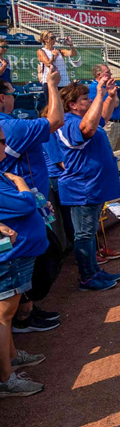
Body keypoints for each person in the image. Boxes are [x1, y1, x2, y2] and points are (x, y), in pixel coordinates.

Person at [0, 72, 64, 334]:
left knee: (40, 257)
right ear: (2, 98)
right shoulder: (10, 126)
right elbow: (56, 120)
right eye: (12, 93)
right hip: (19, 203)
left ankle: (24, 312)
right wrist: (52, 85)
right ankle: (22, 317)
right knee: (40, 259)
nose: (15, 98)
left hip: (18, 202)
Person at [56, 79, 120, 291]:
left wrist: (110, 97)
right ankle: (87, 277)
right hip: (81, 187)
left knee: (89, 232)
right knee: (84, 234)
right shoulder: (68, 122)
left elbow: (101, 118)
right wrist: (100, 95)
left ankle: (94, 271)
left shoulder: (82, 118)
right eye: (85, 98)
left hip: (92, 186)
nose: (90, 100)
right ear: (73, 104)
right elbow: (86, 129)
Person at [0, 167, 50, 397]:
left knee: (6, 315)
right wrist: (20, 180)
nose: (5, 148)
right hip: (10, 257)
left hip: (16, 254)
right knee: (3, 316)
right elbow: (25, 205)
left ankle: (11, 358)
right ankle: (6, 380)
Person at [88, 64, 120, 153]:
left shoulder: (107, 87)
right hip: (108, 124)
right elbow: (114, 103)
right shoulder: (94, 88)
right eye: (107, 72)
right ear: (99, 74)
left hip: (117, 123)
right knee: (109, 152)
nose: (110, 74)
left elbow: (116, 102)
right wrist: (112, 94)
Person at [36, 31, 77, 100]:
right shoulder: (41, 51)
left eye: (55, 37)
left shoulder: (59, 51)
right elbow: (48, 64)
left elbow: (73, 54)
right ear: (45, 39)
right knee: (53, 104)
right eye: (52, 37)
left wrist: (71, 45)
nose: (54, 39)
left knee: (65, 103)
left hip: (64, 82)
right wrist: (54, 56)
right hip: (51, 82)